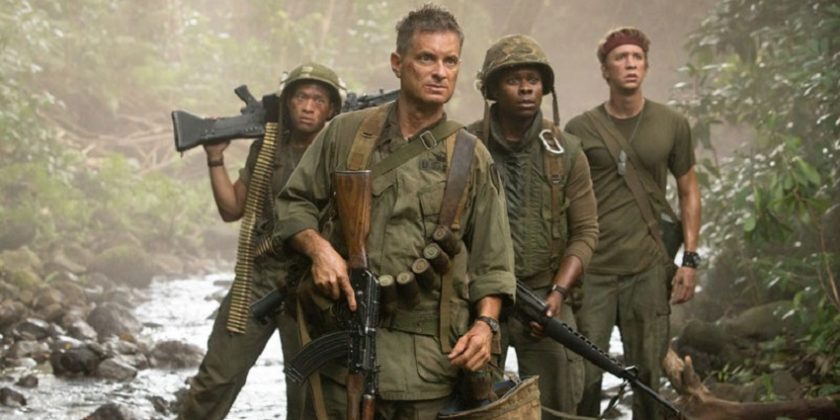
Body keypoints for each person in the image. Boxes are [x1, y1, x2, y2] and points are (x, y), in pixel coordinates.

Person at [273, 4, 515, 419]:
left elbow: (494, 262)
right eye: (427, 58)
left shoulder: (470, 157)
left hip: (429, 367)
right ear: (397, 63)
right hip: (342, 355)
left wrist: (485, 325)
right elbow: (293, 202)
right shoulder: (346, 133)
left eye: (450, 61)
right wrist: (319, 250)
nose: (440, 72)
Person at [177, 62, 345, 420]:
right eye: (300, 97)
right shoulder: (267, 149)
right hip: (258, 282)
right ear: (286, 103)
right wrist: (215, 157)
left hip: (311, 287)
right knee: (215, 380)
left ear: (332, 109)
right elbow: (232, 209)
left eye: (318, 99)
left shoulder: (340, 154)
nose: (308, 106)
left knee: (308, 395)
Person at [565, 27, 702, 420]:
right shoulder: (579, 129)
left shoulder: (672, 123)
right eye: (620, 57)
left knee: (648, 380)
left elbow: (689, 191)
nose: (630, 64)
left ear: (646, 67)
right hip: (593, 272)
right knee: (584, 379)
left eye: (637, 57)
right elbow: (563, 201)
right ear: (604, 70)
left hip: (648, 269)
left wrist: (689, 260)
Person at [466, 34, 599, 419]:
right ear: (492, 89)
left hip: (543, 299)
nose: (526, 88)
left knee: (558, 403)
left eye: (534, 79)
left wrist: (558, 293)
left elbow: (586, 231)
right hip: (477, 300)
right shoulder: (464, 147)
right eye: (513, 79)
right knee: (471, 404)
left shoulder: (566, 151)